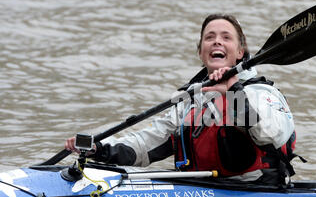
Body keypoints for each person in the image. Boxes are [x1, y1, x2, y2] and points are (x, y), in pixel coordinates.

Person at [65, 14, 300, 187]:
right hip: (203, 191)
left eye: (226, 37)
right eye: (210, 37)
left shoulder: (261, 93)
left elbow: (271, 136)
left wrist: (233, 92)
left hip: (256, 191)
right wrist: (100, 149)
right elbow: (145, 146)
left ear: (240, 53)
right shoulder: (191, 102)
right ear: (201, 52)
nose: (217, 41)